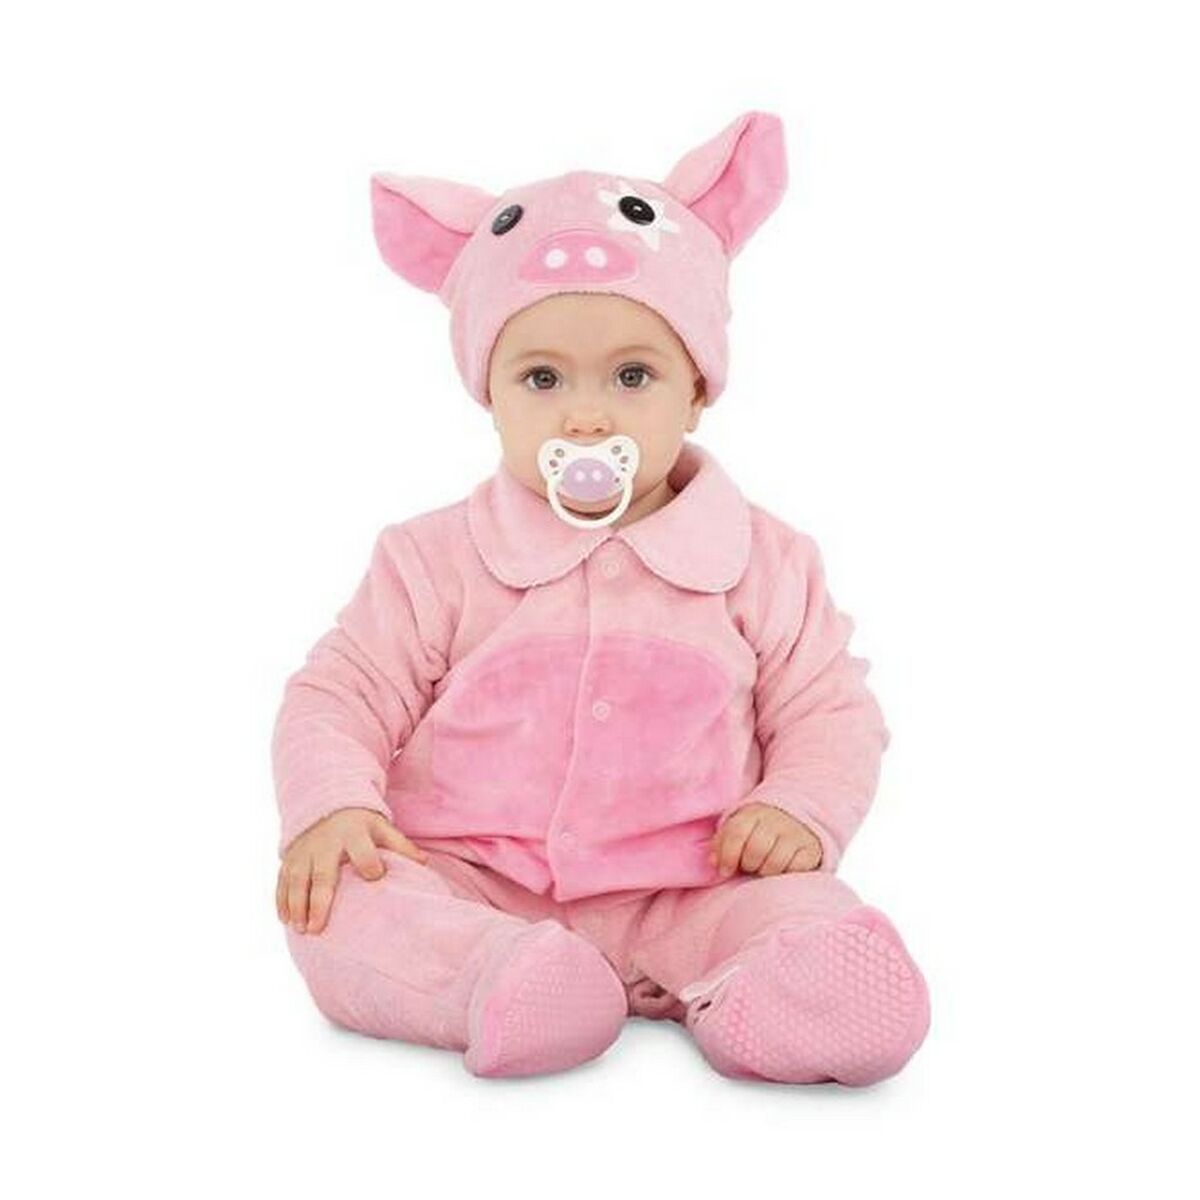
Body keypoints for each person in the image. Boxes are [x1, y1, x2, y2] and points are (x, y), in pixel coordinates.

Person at [272, 110, 931, 1083]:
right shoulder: (432, 558)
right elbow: (340, 694)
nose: (586, 415)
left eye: (632, 375)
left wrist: (798, 806)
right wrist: (330, 808)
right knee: (339, 905)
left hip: (695, 886)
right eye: (542, 378)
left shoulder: (764, 560)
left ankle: (787, 989)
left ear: (696, 390)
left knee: (805, 910)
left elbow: (830, 709)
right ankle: (497, 980)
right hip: (471, 881)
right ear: (490, 395)